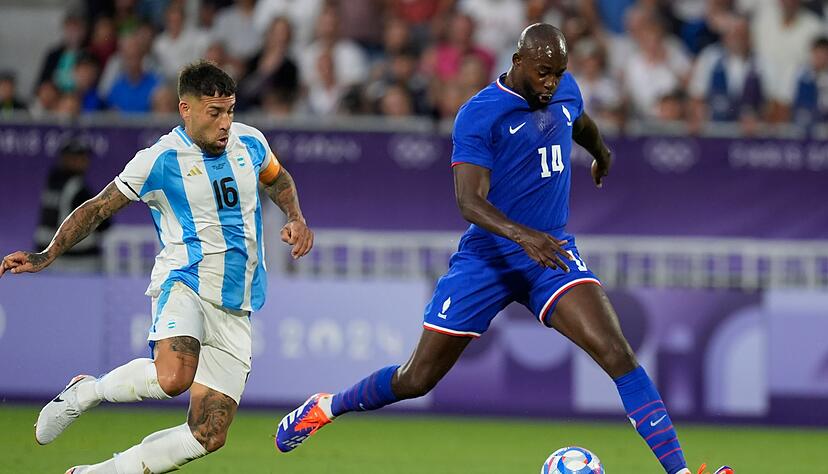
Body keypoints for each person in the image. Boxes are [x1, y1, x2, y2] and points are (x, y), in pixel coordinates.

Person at [275, 24, 728, 474]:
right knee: (416, 378)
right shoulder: (480, 113)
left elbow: (580, 122)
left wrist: (601, 153)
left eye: (558, 73)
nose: (551, 83)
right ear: (518, 62)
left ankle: (680, 472)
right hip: (487, 259)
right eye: (543, 72)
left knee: (618, 353)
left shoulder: (564, 91)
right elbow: (469, 201)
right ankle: (327, 406)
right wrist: (524, 236)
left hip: (549, 256)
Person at [0, 60, 314, 473]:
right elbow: (98, 208)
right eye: (214, 112)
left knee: (208, 434)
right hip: (185, 282)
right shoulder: (159, 159)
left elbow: (277, 178)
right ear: (186, 109)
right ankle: (87, 392)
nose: (225, 123)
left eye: (230, 110)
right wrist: (47, 254)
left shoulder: (250, 142)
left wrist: (295, 217)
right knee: (173, 378)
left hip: (237, 303)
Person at [34, 138, 110, 273]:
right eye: (77, 157)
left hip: (48, 259)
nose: (83, 161)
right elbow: (104, 224)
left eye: (84, 157)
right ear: (65, 158)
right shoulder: (77, 189)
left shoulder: (52, 182)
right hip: (76, 261)